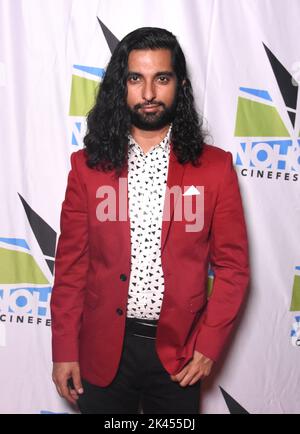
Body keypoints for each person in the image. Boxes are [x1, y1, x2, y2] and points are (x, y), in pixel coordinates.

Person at [50, 27, 249, 414]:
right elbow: (72, 267)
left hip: (179, 354)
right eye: (135, 79)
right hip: (102, 349)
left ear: (180, 85)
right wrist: (64, 350)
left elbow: (234, 268)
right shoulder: (86, 168)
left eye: (162, 78)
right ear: (119, 86)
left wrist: (208, 346)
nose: (149, 93)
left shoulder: (215, 168)